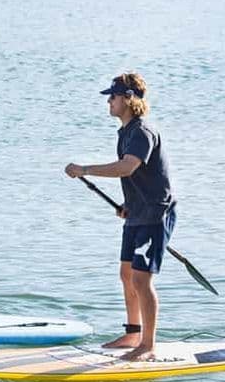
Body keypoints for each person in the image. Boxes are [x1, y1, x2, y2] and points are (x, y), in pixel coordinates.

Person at [65, 73, 176, 361]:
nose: (109, 101)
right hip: (137, 212)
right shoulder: (125, 132)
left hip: (155, 214)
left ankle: (148, 346)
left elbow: (128, 167)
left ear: (128, 98)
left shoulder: (142, 132)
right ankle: (133, 333)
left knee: (141, 279)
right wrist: (127, 204)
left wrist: (86, 169)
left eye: (113, 96)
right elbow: (139, 177)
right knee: (126, 274)